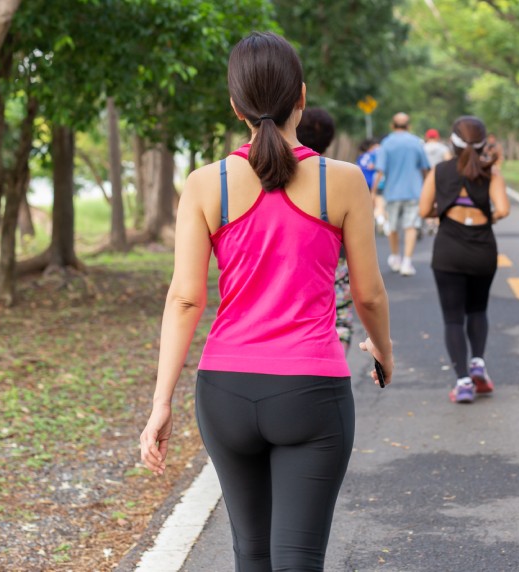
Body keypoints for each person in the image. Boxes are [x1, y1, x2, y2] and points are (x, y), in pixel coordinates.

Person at [139, 32, 394, 572]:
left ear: (235, 106)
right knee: (298, 560)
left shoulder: (206, 184)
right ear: (301, 96)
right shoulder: (343, 182)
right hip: (311, 393)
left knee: (250, 556)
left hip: (224, 392)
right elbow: (368, 293)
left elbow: (185, 299)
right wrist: (384, 352)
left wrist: (161, 402)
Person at [420, 116, 510, 404]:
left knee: (453, 318)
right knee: (478, 309)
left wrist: (447, 210)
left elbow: (424, 211)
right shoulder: (491, 173)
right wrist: (486, 217)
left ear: (453, 141)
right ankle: (479, 363)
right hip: (483, 250)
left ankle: (463, 382)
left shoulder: (439, 171)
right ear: (483, 142)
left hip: (449, 250)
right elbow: (504, 210)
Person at [297, 108, 355, 350]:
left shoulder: (268, 174)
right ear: (329, 140)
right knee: (338, 320)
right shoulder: (341, 178)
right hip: (333, 265)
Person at [372, 112, 430, 276]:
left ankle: (396, 257)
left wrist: (373, 192)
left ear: (392, 125)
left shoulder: (387, 143)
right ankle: (407, 262)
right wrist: (428, 189)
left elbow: (379, 171)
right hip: (414, 192)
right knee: (411, 227)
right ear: (409, 126)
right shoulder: (416, 142)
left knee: (393, 226)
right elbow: (425, 168)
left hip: (392, 192)